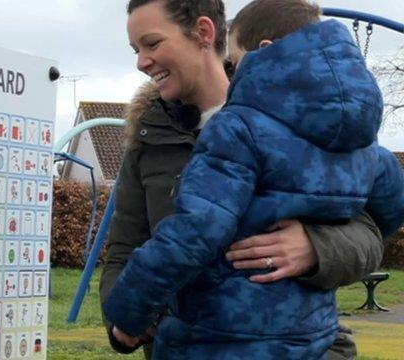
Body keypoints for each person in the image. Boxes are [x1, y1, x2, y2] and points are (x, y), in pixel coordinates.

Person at [101, 0, 404, 358]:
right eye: (136, 50)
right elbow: (122, 250)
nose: (141, 61)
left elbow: (371, 233)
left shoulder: (287, 125)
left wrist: (318, 247)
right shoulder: (151, 138)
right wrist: (121, 322)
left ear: (203, 32)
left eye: (152, 44)